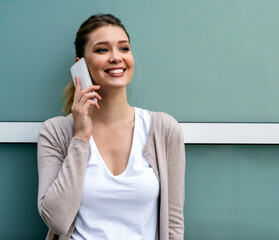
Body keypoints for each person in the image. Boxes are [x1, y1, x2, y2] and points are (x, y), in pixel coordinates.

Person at [37, 14, 185, 240]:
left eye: (123, 48)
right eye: (102, 50)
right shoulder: (55, 132)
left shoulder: (164, 129)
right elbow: (57, 220)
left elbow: (173, 223)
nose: (116, 57)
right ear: (81, 66)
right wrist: (80, 138)